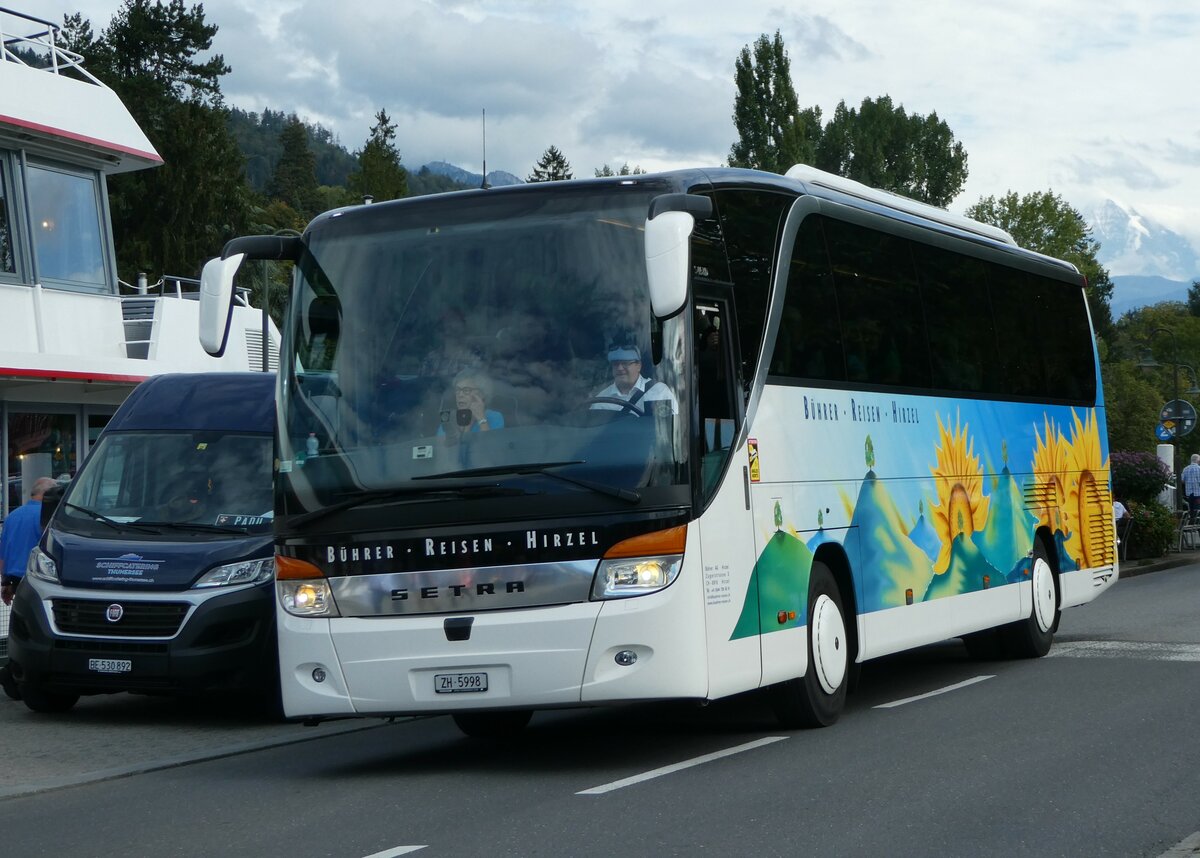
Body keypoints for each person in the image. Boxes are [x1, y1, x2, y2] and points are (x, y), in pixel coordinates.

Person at [1, 476, 57, 699]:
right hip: (37, 583)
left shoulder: (12, 516)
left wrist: (5, 582)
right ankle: (17, 673)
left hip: (15, 582)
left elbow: (4, 552)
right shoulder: (48, 517)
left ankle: (13, 671)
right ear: (49, 495)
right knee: (38, 631)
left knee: (19, 628)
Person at [591, 337, 679, 415]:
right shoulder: (601, 400)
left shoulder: (659, 392)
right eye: (615, 364)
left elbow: (670, 428)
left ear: (638, 366)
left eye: (625, 363)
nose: (620, 368)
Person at [438, 368, 504, 440]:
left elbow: (490, 448)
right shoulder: (449, 421)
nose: (460, 395)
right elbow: (443, 449)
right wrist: (465, 427)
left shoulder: (494, 417)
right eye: (458, 390)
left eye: (466, 390)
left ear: (481, 394)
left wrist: (481, 419)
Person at [1182, 453, 1200, 522]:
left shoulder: (1185, 469)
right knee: (1197, 510)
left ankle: (1191, 522)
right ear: (1198, 460)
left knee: (1191, 510)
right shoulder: (1199, 469)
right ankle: (1196, 526)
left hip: (1189, 494)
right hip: (1198, 494)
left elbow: (1182, 481)